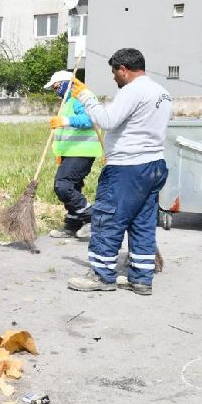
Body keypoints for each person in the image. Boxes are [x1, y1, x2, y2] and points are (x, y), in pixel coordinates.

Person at [67, 48, 171, 296]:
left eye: (114, 72)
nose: (114, 78)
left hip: (127, 169)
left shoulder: (133, 90)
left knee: (108, 219)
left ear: (124, 69)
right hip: (154, 165)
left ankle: (102, 275)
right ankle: (141, 279)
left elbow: (107, 120)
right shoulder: (162, 93)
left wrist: (87, 98)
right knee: (142, 224)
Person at [44, 70, 103, 239]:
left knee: (62, 185)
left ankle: (92, 218)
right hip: (71, 152)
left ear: (66, 83)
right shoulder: (68, 101)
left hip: (83, 151)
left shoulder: (80, 96)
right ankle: (73, 225)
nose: (56, 92)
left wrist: (65, 121)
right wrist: (60, 152)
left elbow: (89, 119)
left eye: (56, 87)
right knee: (73, 187)